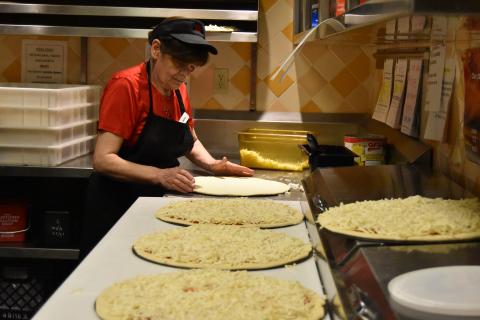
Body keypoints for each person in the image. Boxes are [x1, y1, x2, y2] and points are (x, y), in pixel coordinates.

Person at [80, 17, 254, 257]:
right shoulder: (126, 86)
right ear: (156, 49)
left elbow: (187, 136)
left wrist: (213, 165)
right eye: (180, 63)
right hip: (118, 206)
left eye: (191, 68)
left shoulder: (178, 88)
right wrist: (159, 175)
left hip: (157, 202)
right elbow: (103, 159)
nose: (184, 74)